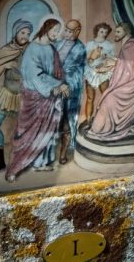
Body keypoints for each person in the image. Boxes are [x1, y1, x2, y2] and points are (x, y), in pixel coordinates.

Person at [5, 17, 69, 182]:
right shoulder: (33, 48)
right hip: (35, 96)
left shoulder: (51, 48)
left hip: (48, 96)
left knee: (47, 131)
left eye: (58, 32)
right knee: (30, 134)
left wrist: (60, 84)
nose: (56, 34)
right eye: (54, 31)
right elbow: (35, 75)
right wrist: (54, 86)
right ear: (46, 29)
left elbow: (57, 72)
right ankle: (16, 167)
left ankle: (42, 162)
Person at [87, 22, 134, 142]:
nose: (115, 34)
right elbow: (123, 64)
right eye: (116, 31)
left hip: (131, 85)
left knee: (109, 98)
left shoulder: (133, 47)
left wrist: (111, 64)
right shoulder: (127, 46)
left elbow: (130, 71)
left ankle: (101, 130)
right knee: (107, 97)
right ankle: (98, 128)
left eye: (119, 32)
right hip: (125, 84)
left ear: (126, 32)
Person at [0, 19, 32, 174]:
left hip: (25, 95)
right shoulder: (6, 50)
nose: (25, 36)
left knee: (26, 129)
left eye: (28, 33)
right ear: (16, 33)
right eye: (22, 32)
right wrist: (4, 65)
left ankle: (24, 161)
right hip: (6, 94)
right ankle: (0, 163)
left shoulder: (33, 50)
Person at [54, 19, 86, 164]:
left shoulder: (80, 49)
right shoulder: (57, 43)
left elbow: (71, 71)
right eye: (66, 30)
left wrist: (61, 84)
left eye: (70, 31)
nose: (66, 33)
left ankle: (63, 154)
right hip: (54, 88)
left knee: (65, 122)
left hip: (69, 90)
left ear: (78, 31)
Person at [82, 23, 116, 123]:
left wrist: (106, 58)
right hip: (91, 72)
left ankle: (107, 120)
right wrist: (92, 57)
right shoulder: (89, 44)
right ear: (97, 31)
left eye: (106, 32)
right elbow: (86, 60)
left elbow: (112, 60)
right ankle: (88, 120)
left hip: (103, 73)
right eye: (102, 31)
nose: (103, 34)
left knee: (105, 96)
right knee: (90, 97)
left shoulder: (109, 45)